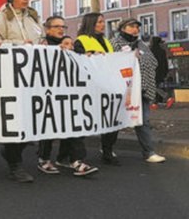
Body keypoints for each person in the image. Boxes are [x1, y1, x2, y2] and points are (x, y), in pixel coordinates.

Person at [0, 0, 43, 183]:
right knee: (17, 119)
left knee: (34, 118)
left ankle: (11, 152)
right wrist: (19, 46)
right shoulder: (3, 16)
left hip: (34, 74)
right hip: (13, 73)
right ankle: (15, 165)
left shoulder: (33, 16)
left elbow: (41, 36)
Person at [38, 16, 98, 177]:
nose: (60, 29)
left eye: (63, 27)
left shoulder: (72, 51)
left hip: (70, 96)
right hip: (49, 95)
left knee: (75, 125)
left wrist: (91, 56)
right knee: (49, 129)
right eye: (56, 26)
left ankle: (75, 160)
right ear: (47, 29)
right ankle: (44, 158)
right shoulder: (42, 47)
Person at [110, 18, 166, 163]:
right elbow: (113, 63)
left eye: (137, 27)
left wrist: (139, 59)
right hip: (124, 90)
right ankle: (107, 149)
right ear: (122, 28)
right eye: (132, 26)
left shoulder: (141, 44)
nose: (135, 29)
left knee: (144, 121)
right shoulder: (115, 43)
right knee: (115, 121)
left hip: (142, 89)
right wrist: (130, 59)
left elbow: (152, 61)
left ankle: (149, 152)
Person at [74, 12, 120, 165]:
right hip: (90, 88)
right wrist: (91, 54)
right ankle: (76, 155)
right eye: (99, 22)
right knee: (86, 120)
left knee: (112, 121)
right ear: (91, 23)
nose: (102, 24)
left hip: (107, 86)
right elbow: (77, 60)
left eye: (103, 21)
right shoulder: (81, 40)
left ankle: (107, 150)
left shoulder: (106, 41)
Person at [150, 36, 173, 108]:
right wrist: (166, 72)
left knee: (152, 87)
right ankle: (154, 103)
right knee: (155, 86)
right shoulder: (162, 51)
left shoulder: (150, 51)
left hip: (153, 72)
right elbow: (165, 63)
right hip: (161, 72)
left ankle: (167, 97)